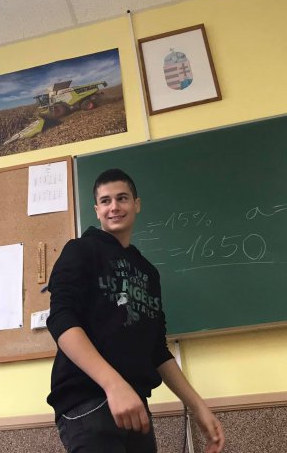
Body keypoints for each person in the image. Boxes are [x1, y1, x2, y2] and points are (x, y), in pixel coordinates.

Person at [46, 168, 224, 453]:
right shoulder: (81, 250)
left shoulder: (148, 272)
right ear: (96, 210)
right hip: (89, 400)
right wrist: (113, 384)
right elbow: (61, 320)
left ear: (136, 204)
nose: (114, 207)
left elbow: (158, 351)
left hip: (134, 405)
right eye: (105, 201)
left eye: (122, 198)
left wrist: (197, 406)